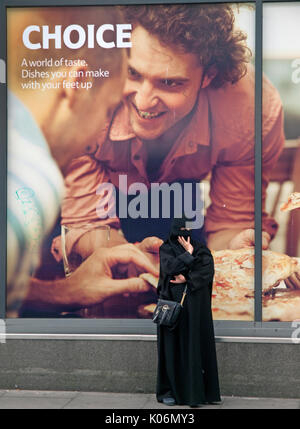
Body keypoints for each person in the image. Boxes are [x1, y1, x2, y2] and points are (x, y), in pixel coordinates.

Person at [54, 4, 284, 274]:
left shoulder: (250, 110)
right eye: (133, 73)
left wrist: (234, 247)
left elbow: (229, 226)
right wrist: (125, 257)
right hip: (93, 203)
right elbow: (87, 221)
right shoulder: (79, 92)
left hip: (180, 203)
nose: (143, 101)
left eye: (170, 83)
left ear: (208, 76)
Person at [6, 6, 159, 316]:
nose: (95, 137)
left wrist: (62, 292)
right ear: (77, 84)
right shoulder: (29, 179)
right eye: (106, 110)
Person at [156, 216, 221, 407]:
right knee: (171, 349)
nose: (183, 232)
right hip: (173, 312)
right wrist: (189, 256)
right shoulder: (166, 249)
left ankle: (199, 393)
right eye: (179, 228)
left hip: (196, 313)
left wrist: (187, 278)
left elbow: (207, 270)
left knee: (196, 349)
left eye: (186, 228)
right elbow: (170, 267)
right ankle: (168, 392)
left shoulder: (201, 248)